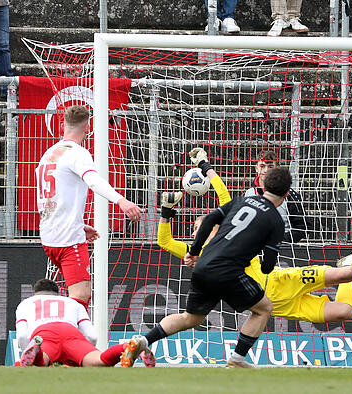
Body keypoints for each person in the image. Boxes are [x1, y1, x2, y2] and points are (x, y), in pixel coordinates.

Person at [157, 148, 352, 326]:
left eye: (200, 227)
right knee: (344, 312)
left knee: (343, 277)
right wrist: (166, 213)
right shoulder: (202, 255)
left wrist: (206, 167)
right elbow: (165, 243)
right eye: (194, 229)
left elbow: (225, 196)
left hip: (285, 281)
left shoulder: (233, 246)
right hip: (283, 306)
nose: (196, 232)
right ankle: (344, 263)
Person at [137, 166, 292, 369]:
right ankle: (237, 359)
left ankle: (143, 341)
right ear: (286, 193)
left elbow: (210, 219)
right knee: (264, 309)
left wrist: (194, 251)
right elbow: (267, 267)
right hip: (229, 271)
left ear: (263, 185)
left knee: (190, 318)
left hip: (203, 266)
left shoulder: (240, 201)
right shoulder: (275, 221)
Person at [35, 105, 142, 311]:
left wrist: (78, 223)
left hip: (49, 235)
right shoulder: (78, 153)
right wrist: (121, 200)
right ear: (87, 128)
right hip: (68, 240)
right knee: (81, 296)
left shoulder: (48, 154)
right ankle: (59, 337)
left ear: (62, 126)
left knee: (76, 294)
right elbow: (93, 180)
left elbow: (49, 197)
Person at [16, 279, 155, 367]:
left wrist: (25, 354)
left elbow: (22, 336)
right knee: (99, 361)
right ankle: (129, 346)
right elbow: (92, 335)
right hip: (71, 333)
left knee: (41, 363)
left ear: (35, 293)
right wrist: (81, 357)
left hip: (44, 335)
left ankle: (37, 353)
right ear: (58, 294)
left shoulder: (26, 303)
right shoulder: (71, 302)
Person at [244, 150, 307, 242]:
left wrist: (279, 239)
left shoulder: (289, 195)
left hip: (283, 249)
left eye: (270, 166)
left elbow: (302, 227)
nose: (266, 170)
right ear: (256, 168)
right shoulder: (249, 193)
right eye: (262, 166)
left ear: (276, 168)